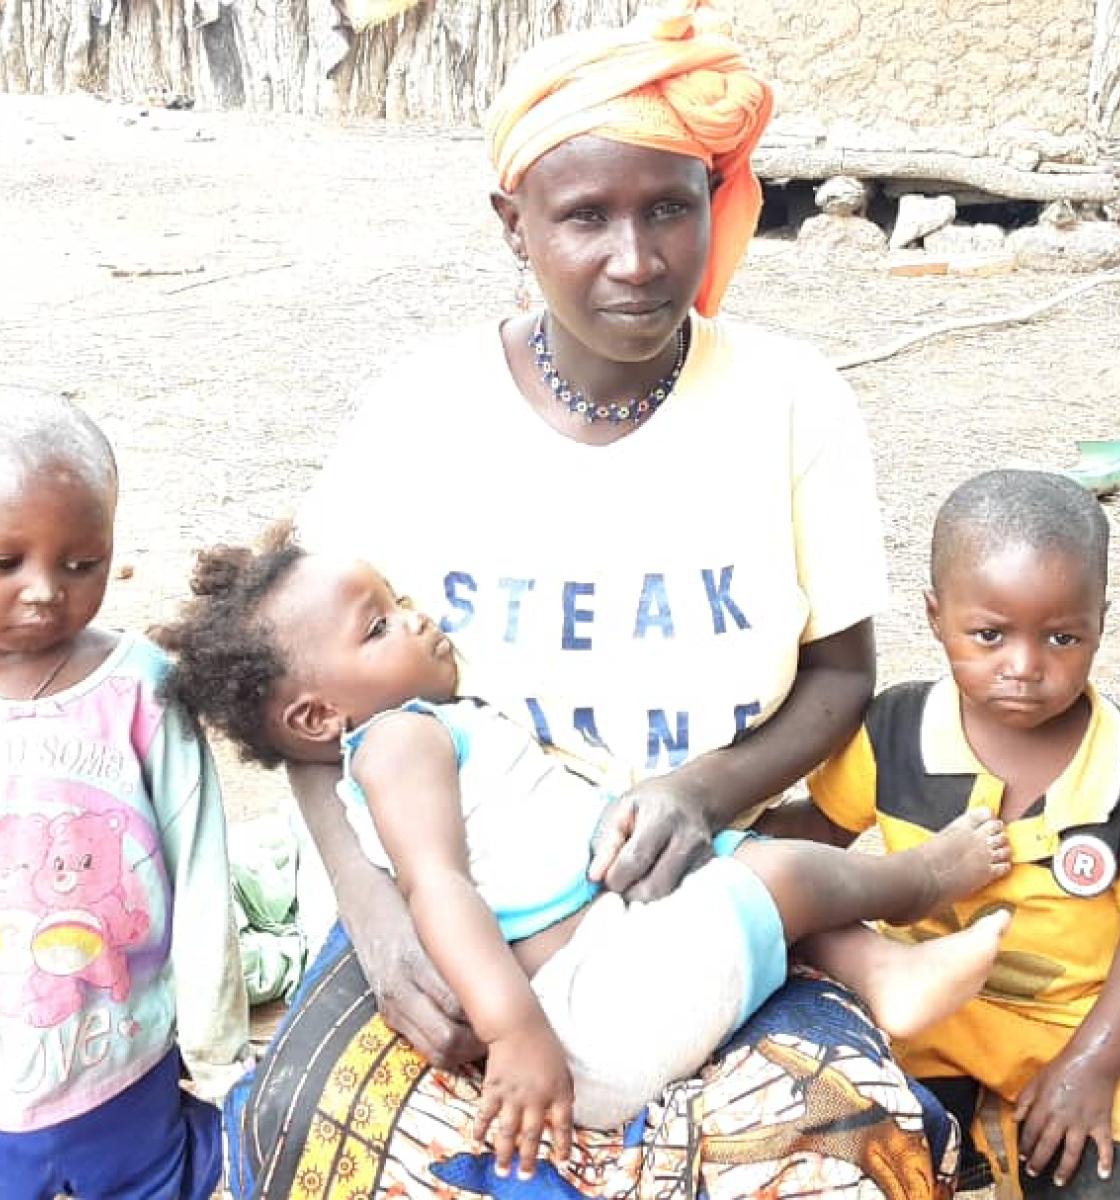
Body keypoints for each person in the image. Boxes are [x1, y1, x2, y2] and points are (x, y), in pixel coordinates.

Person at [222, 4, 971, 1197]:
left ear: (714, 203)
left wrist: (699, 790)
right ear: (512, 226)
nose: (637, 258)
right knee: (326, 1141)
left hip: (705, 882)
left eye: (669, 206)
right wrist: (375, 919)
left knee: (842, 1154)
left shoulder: (793, 403)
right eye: (585, 217)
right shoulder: (421, 414)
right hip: (460, 915)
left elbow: (840, 675)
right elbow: (304, 710)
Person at [157, 537, 1014, 1173]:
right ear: (316, 719)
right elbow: (437, 888)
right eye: (380, 625)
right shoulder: (396, 745)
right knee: (777, 872)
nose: (416, 617)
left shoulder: (422, 728)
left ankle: (884, 974)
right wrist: (517, 1032)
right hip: (583, 1021)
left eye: (400, 599)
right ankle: (922, 882)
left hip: (607, 961)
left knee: (728, 861)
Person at [799, 469, 1120, 1199]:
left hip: (1072, 1028)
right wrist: (733, 834)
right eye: (988, 635)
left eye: (1062, 637)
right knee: (847, 1153)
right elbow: (822, 830)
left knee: (1108, 1177)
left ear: (1100, 624)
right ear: (934, 617)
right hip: (925, 1017)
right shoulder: (897, 735)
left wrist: (1095, 1063)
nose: (1024, 667)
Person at [0, 395, 249, 1199]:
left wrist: (216, 1055)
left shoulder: (140, 690)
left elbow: (202, 870)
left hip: (121, 1055)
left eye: (82, 564)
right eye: (6, 562)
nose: (44, 592)